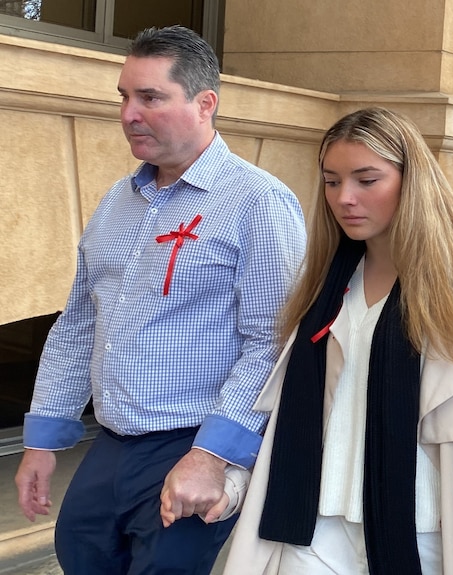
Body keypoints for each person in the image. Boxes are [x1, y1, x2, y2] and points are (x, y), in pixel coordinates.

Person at [14, 25, 306, 574]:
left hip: (190, 439)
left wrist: (212, 455)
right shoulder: (117, 203)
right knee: (79, 551)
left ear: (205, 103)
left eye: (150, 97)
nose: (129, 113)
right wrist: (44, 438)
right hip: (112, 442)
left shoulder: (259, 203)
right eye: (124, 96)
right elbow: (78, 324)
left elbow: (271, 343)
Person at [223, 107, 453, 575]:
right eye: (331, 181)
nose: (345, 198)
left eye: (367, 180)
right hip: (313, 521)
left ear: (411, 180)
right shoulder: (326, 277)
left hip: (423, 527)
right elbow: (289, 412)